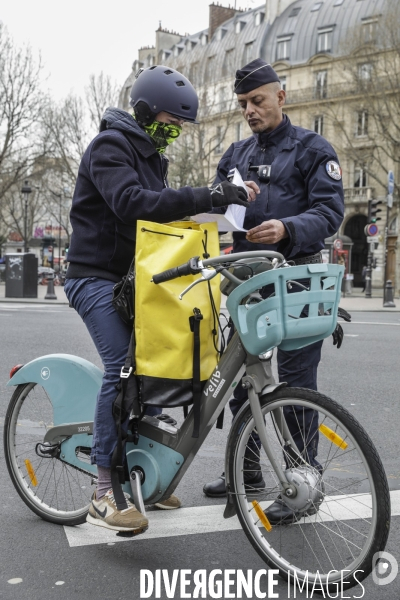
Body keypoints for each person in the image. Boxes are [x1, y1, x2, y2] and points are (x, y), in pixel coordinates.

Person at [64, 65, 249, 533]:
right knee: (123, 366)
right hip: (95, 277)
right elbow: (131, 203)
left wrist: (215, 222)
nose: (175, 131)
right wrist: (204, 193)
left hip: (133, 279)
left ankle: (140, 469)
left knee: (154, 362)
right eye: (171, 122)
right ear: (145, 111)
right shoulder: (110, 147)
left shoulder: (152, 158)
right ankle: (104, 491)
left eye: (181, 126)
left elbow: (160, 218)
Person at [203, 59, 345, 524]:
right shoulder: (235, 153)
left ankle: (306, 479)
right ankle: (246, 473)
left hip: (299, 277)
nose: (249, 110)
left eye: (257, 101)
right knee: (247, 378)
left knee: (299, 384)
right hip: (249, 280)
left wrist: (286, 226)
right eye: (243, 103)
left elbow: (329, 213)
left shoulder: (313, 148)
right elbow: (217, 204)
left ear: (281, 97)